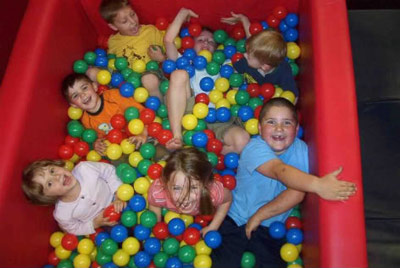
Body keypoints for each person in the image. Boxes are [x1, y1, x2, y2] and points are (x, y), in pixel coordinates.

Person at [211, 98, 357, 268]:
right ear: (259, 128)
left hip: (270, 228)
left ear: (296, 130)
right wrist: (318, 185)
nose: (279, 128)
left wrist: (259, 216)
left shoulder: (301, 150)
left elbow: (296, 193)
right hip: (235, 220)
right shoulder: (254, 148)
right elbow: (278, 171)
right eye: (271, 122)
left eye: (286, 123)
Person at [164, 8, 250, 153]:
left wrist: (244, 20)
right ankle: (177, 137)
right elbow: (168, 40)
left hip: (219, 116)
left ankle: (201, 153)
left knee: (243, 141)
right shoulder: (185, 62)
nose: (206, 43)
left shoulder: (227, 63)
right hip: (189, 113)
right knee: (178, 74)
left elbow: (254, 49)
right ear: (191, 45)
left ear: (217, 49)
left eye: (211, 42)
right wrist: (182, 14)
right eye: (201, 40)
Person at [21, 160, 126, 235]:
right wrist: (94, 224)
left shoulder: (84, 169)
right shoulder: (62, 214)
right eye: (49, 183)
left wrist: (118, 194)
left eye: (52, 171)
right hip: (107, 221)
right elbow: (74, 228)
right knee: (120, 234)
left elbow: (109, 171)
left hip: (119, 197)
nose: (57, 177)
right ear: (48, 197)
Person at [147, 147, 232, 235]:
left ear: (205, 185)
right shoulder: (158, 193)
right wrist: (157, 227)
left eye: (193, 187)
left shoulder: (212, 194)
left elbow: (227, 200)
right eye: (177, 188)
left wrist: (213, 227)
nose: (185, 197)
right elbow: (154, 204)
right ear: (166, 184)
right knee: (160, 152)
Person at [62, 73, 147, 156]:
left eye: (84, 88)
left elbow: (144, 114)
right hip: (122, 149)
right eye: (75, 96)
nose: (82, 95)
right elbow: (100, 140)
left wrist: (142, 134)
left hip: (143, 134)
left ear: (94, 86)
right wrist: (96, 145)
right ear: (74, 105)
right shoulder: (86, 121)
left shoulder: (114, 96)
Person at [97, 0, 166, 100]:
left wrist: (162, 58)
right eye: (124, 21)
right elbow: (111, 63)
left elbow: (170, 53)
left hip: (151, 73)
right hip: (127, 82)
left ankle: (160, 108)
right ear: (113, 26)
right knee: (94, 73)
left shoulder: (150, 31)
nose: (133, 22)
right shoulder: (113, 41)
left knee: (148, 80)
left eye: (133, 14)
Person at [221, 12, 299, 98]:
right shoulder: (246, 61)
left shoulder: (283, 71)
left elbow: (293, 96)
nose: (244, 55)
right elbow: (235, 73)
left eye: (249, 56)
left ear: (265, 66)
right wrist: (236, 90)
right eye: (247, 52)